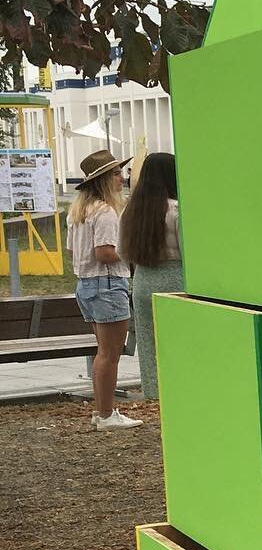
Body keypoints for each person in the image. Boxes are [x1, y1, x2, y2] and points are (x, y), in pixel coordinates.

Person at [66, 149, 140, 430]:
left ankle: (102, 410)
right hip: (108, 284)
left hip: (86, 284)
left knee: (103, 352)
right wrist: (131, 252)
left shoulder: (79, 212)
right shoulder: (107, 212)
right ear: (105, 180)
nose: (122, 178)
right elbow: (105, 252)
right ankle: (107, 414)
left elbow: (72, 249)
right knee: (110, 354)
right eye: (116, 173)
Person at [119, 151, 181, 400]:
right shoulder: (176, 210)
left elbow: (122, 252)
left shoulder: (130, 211)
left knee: (148, 342)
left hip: (143, 280)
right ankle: (180, 389)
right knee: (178, 340)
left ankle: (154, 391)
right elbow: (188, 251)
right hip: (176, 278)